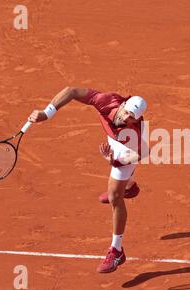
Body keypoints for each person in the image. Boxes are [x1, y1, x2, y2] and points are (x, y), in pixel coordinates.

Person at [27, 86, 147, 273]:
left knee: (115, 197)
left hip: (126, 151)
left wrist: (115, 161)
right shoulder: (107, 101)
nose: (126, 118)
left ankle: (117, 251)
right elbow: (72, 91)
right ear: (122, 104)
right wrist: (46, 113)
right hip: (115, 139)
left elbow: (142, 154)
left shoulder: (134, 131)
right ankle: (129, 187)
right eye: (127, 113)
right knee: (119, 185)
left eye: (132, 117)